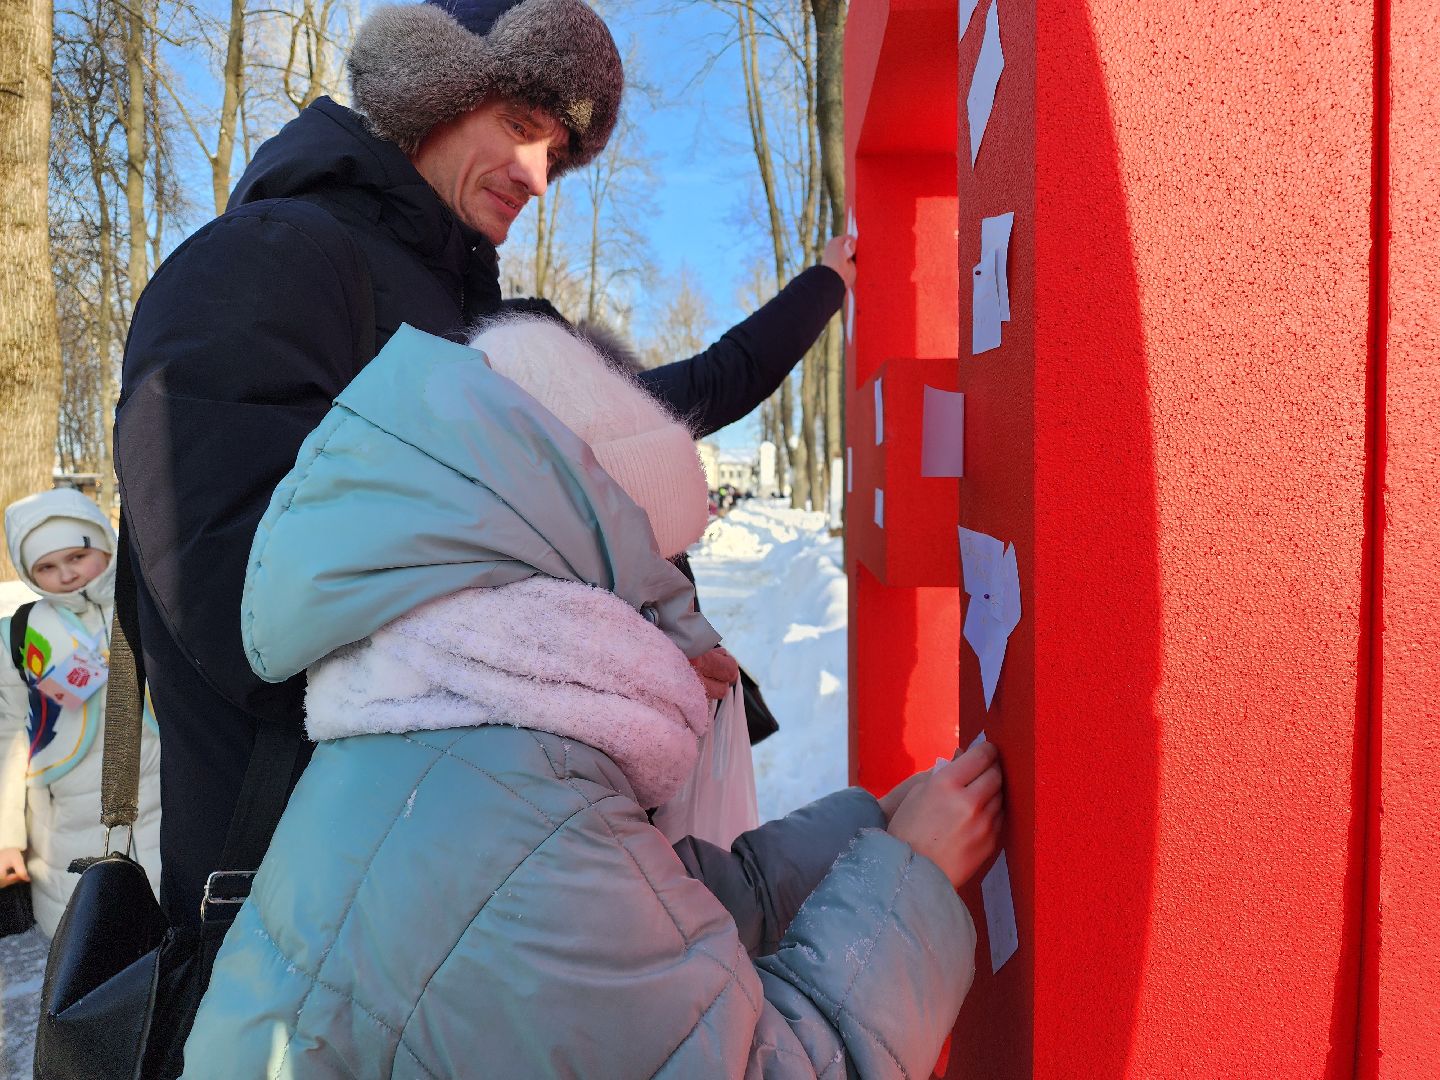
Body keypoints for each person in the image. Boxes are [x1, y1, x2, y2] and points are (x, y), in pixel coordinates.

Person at [115, 0, 856, 929]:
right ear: (435, 89)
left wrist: (828, 282)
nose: (540, 175)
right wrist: (622, 665)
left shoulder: (469, 318)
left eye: (559, 152)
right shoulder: (271, 262)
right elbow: (245, 610)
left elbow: (686, 400)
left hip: (460, 899)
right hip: (307, 916)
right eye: (520, 126)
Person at [180, 314, 1003, 1077]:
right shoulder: (520, 822)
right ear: (580, 587)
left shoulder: (444, 740)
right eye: (662, 585)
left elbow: (640, 925)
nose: (701, 642)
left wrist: (865, 830)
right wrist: (912, 876)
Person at [0, 489, 162, 937]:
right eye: (46, 567)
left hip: (165, 793)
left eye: (77, 555)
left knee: (171, 939)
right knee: (87, 947)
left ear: (107, 545)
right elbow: (7, 734)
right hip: (63, 815)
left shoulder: (154, 605)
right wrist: (6, 835)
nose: (67, 574)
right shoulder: (20, 633)